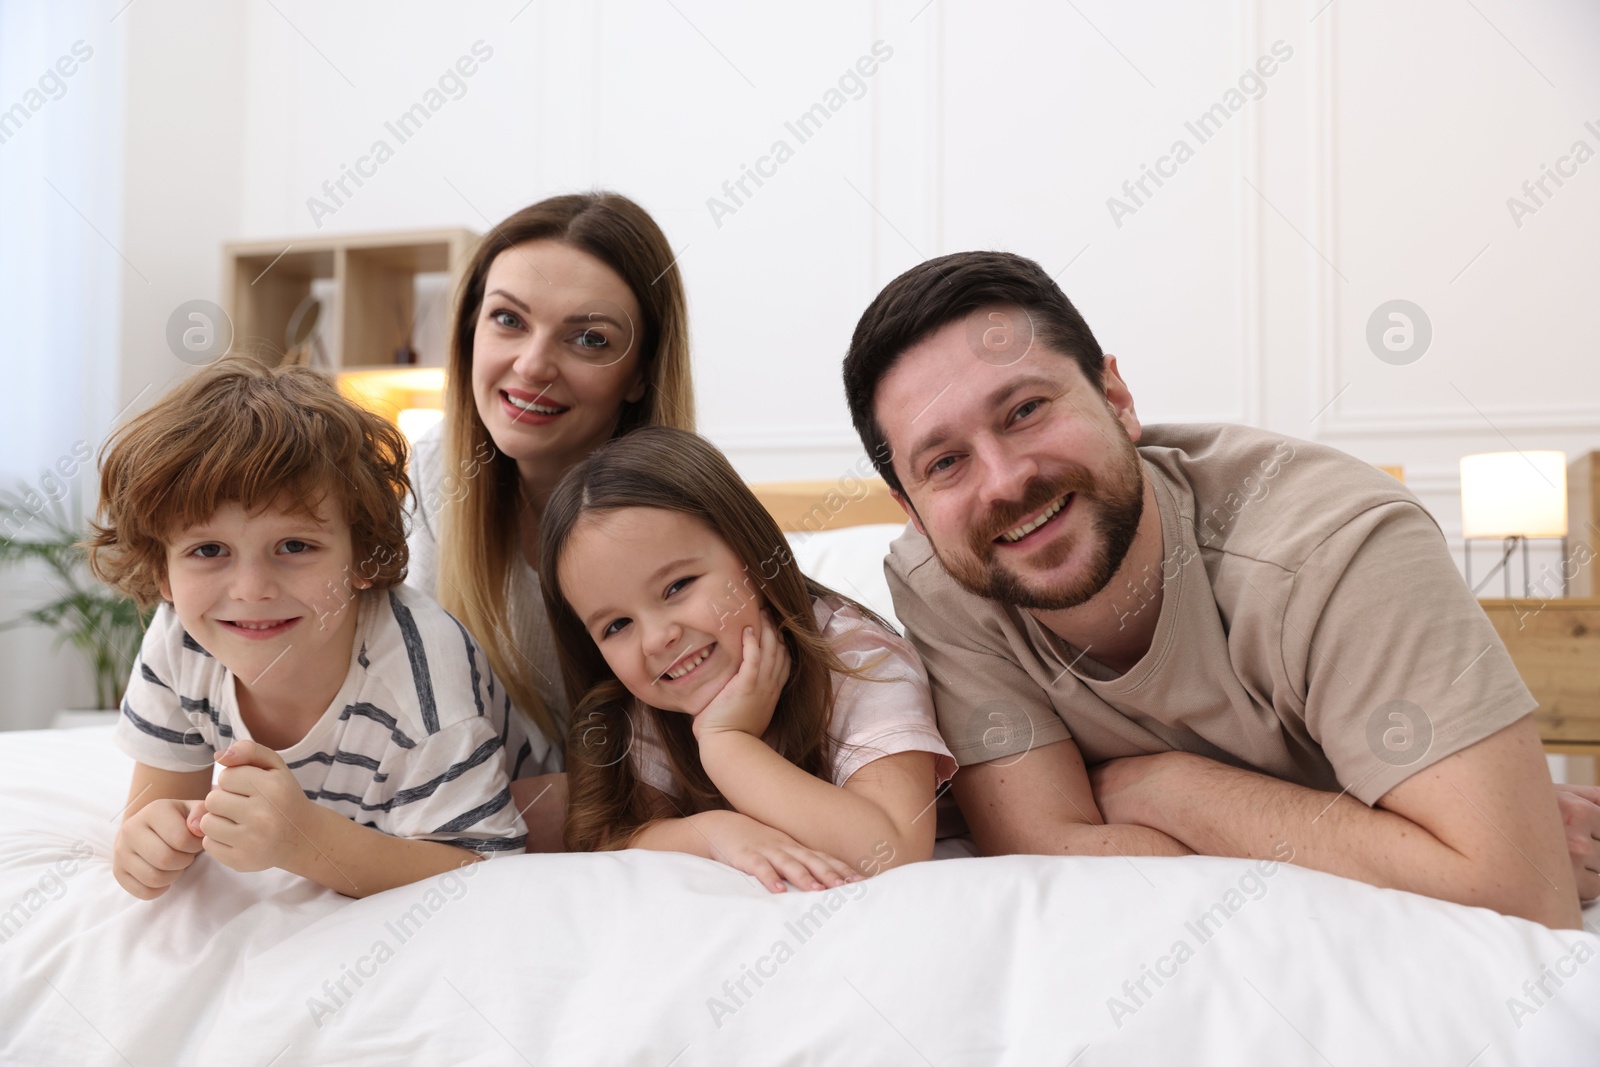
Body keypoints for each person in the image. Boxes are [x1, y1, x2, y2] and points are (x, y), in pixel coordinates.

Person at [843, 249, 1595, 928]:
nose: (1006, 480)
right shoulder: (942, 581)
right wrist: (1396, 843)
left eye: (1026, 410)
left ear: (1116, 398)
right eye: (944, 462)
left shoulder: (1334, 548)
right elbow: (1045, 847)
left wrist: (1164, 790)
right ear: (912, 510)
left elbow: (1520, 901)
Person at [91, 358, 541, 900]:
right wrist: (150, 844)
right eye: (209, 550)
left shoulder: (425, 689)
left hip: (499, 808)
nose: (251, 589)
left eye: (295, 546)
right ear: (163, 572)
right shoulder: (182, 637)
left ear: (361, 557)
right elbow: (159, 808)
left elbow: (479, 869)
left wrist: (305, 842)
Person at [538, 428, 954, 891]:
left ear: (751, 554)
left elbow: (892, 849)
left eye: (677, 587)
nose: (656, 639)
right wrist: (714, 832)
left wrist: (727, 744)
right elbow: (614, 841)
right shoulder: (649, 708)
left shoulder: (858, 660)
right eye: (616, 626)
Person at [406, 192, 695, 848]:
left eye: (590, 337)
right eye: (508, 319)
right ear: (469, 332)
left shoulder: (687, 517)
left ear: (640, 373)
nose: (533, 364)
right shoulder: (428, 478)